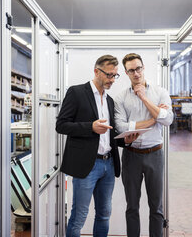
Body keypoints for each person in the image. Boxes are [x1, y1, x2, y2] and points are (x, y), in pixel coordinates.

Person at [56, 54, 138, 237]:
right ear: (96, 71)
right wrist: (90, 127)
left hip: (108, 165)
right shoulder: (76, 92)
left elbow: (109, 133)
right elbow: (61, 125)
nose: (112, 80)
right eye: (109, 75)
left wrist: (125, 140)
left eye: (115, 75)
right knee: (79, 216)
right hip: (87, 165)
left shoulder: (109, 100)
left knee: (104, 215)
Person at [114, 53, 173, 237]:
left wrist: (145, 98)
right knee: (132, 206)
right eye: (131, 70)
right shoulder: (120, 98)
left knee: (156, 206)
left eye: (138, 68)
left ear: (143, 67)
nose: (136, 73)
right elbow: (121, 127)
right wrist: (154, 118)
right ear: (126, 73)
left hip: (155, 154)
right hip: (131, 156)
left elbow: (168, 120)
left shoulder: (160, 92)